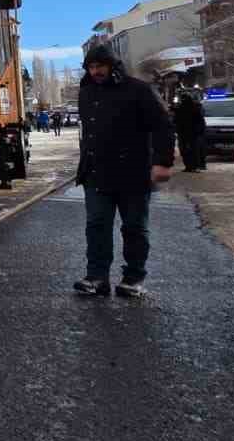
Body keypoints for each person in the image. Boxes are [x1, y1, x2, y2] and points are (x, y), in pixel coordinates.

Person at [74, 43, 175, 298]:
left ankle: (133, 278)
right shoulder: (86, 92)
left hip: (134, 172)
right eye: (91, 67)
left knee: (133, 228)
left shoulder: (138, 90)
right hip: (96, 173)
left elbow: (163, 126)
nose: (95, 71)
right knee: (96, 225)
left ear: (113, 66)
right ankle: (97, 277)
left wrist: (162, 162)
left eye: (100, 66)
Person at [174, 92, 206, 172]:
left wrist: (199, 131)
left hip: (192, 133)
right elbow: (176, 120)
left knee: (192, 150)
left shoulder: (194, 108)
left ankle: (193, 166)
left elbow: (200, 121)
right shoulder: (180, 108)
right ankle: (190, 166)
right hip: (186, 133)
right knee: (187, 150)